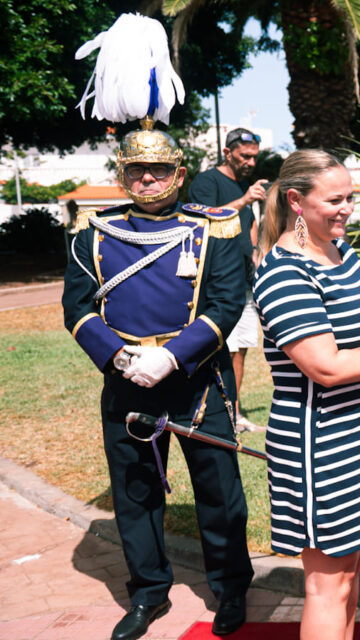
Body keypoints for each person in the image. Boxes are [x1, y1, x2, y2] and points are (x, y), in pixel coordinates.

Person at [64, 14, 253, 640]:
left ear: (179, 173)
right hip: (124, 378)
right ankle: (147, 592)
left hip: (195, 379)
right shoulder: (93, 230)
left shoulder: (216, 226)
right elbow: (78, 308)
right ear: (123, 174)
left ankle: (230, 590)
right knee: (136, 493)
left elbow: (225, 305)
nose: (148, 180)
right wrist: (119, 358)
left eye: (160, 172)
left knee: (218, 492)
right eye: (136, 172)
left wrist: (171, 357)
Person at [252, 149, 360, 640]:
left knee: (349, 576)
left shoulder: (340, 251)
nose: (347, 208)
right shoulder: (285, 272)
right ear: (295, 201)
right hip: (321, 444)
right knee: (328, 587)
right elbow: (324, 367)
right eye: (335, 199)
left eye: (351, 197)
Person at [189, 127, 270, 430]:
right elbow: (202, 218)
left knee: (242, 348)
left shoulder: (244, 185)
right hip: (217, 282)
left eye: (254, 157)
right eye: (245, 156)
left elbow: (249, 226)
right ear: (227, 152)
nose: (250, 162)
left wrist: (257, 254)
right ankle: (214, 411)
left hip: (244, 281)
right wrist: (245, 199)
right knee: (223, 347)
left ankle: (233, 413)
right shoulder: (207, 181)